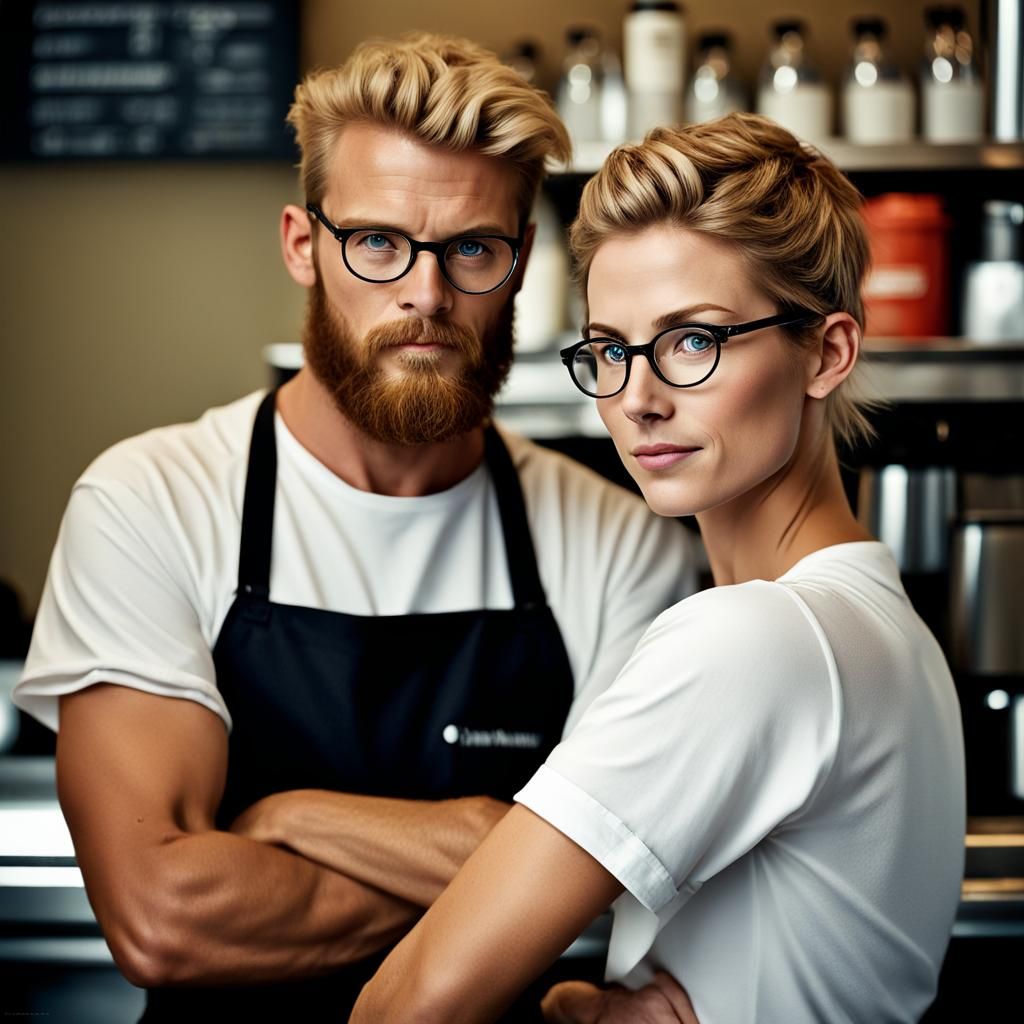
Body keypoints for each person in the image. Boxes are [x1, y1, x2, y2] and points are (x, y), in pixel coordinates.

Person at [12, 35, 697, 1022]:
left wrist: (293, 819)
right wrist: (508, 856)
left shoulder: (622, 546)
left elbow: (624, 888)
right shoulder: (151, 503)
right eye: (377, 241)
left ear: (520, 261)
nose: (425, 294)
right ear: (303, 243)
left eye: (472, 247)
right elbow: (162, 916)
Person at [348, 113, 967, 1024]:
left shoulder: (752, 638)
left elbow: (407, 1006)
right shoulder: (888, 633)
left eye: (693, 341)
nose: (636, 399)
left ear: (827, 353)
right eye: (609, 349)